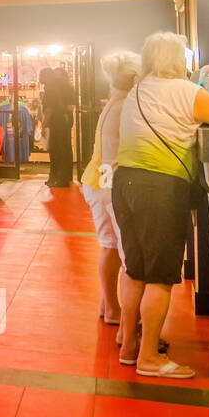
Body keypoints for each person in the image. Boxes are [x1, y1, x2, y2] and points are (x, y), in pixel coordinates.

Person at [113, 32, 209, 379]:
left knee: (135, 268)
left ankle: (129, 347)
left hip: (124, 184)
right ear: (178, 59)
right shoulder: (186, 91)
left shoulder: (136, 92)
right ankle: (148, 358)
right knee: (160, 276)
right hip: (160, 188)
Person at [79, 51, 140, 331]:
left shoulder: (113, 103)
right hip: (110, 184)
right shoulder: (127, 105)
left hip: (96, 181)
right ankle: (127, 324)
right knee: (130, 257)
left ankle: (110, 306)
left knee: (110, 246)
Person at [41, 67, 75, 187]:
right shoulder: (64, 88)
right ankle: (62, 177)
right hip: (64, 121)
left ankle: (60, 179)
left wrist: (44, 125)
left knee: (57, 150)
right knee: (63, 150)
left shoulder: (52, 88)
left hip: (57, 122)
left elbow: (49, 109)